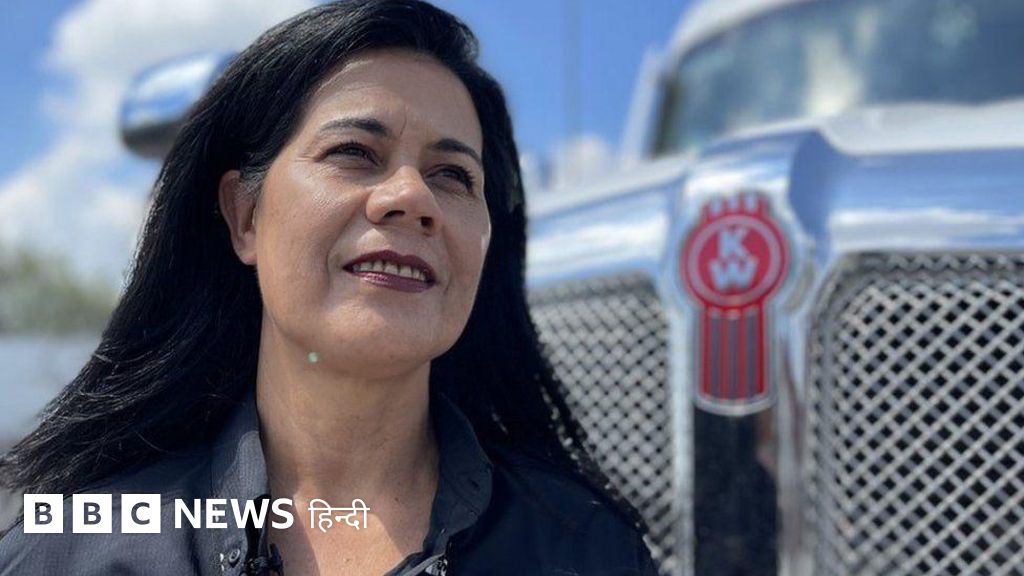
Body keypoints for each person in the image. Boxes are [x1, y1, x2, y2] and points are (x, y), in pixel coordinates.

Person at [0, 1, 659, 575]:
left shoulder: (591, 548)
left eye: (454, 175)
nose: (412, 196)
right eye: (354, 152)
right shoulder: (69, 550)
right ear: (245, 217)